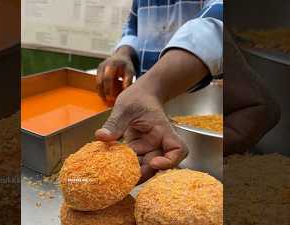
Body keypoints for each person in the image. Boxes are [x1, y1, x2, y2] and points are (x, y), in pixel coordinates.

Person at [95, 1, 279, 182]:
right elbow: (133, 27)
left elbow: (217, 16)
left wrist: (151, 87)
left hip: (208, 102)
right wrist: (124, 52)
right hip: (148, 123)